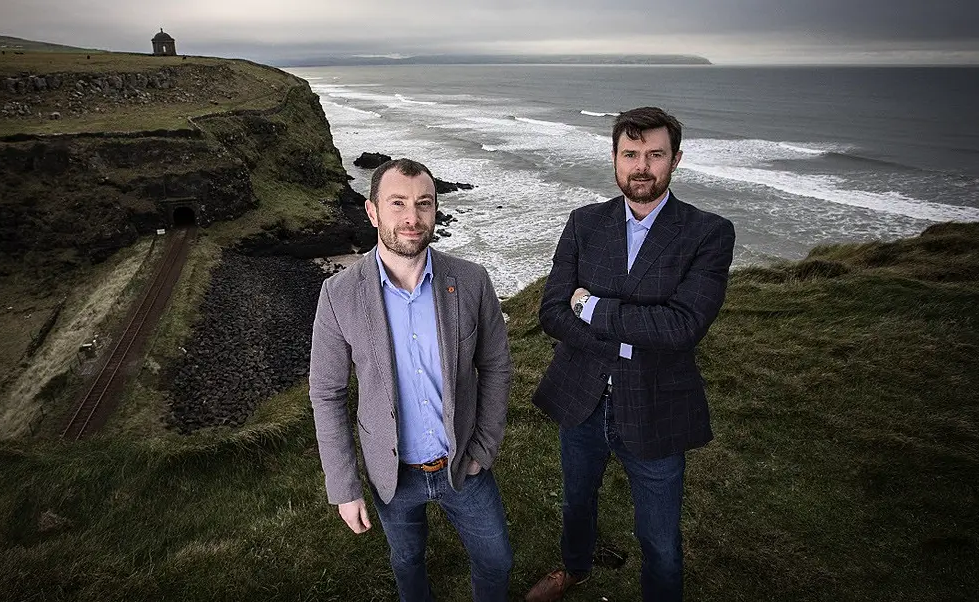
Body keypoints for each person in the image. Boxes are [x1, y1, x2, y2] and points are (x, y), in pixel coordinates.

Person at [525, 107, 736, 602]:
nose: (642, 166)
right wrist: (633, 332)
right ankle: (575, 568)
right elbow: (552, 312)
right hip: (582, 397)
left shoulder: (708, 232)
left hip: (658, 403)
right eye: (631, 154)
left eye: (655, 154)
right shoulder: (584, 223)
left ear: (675, 159)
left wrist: (592, 304)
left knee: (659, 538)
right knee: (577, 501)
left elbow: (684, 326)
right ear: (615, 158)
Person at [309, 158, 514, 601]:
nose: (411, 217)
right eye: (397, 203)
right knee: (407, 563)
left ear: (435, 209)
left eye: (423, 203)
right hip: (392, 473)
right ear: (372, 211)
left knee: (497, 562)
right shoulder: (338, 294)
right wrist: (345, 487)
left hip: (464, 463)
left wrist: (483, 447)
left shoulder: (472, 280)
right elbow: (327, 394)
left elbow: (497, 364)